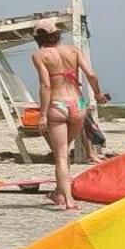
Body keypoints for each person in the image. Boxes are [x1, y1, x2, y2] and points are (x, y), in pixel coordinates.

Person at [32, 22, 105, 210]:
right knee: (65, 151)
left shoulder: (40, 56)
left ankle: (68, 200)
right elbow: (91, 74)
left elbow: (45, 86)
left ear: (38, 38)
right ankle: (58, 192)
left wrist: (42, 115)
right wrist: (98, 94)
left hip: (57, 104)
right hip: (78, 104)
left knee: (61, 156)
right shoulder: (74, 50)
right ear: (57, 34)